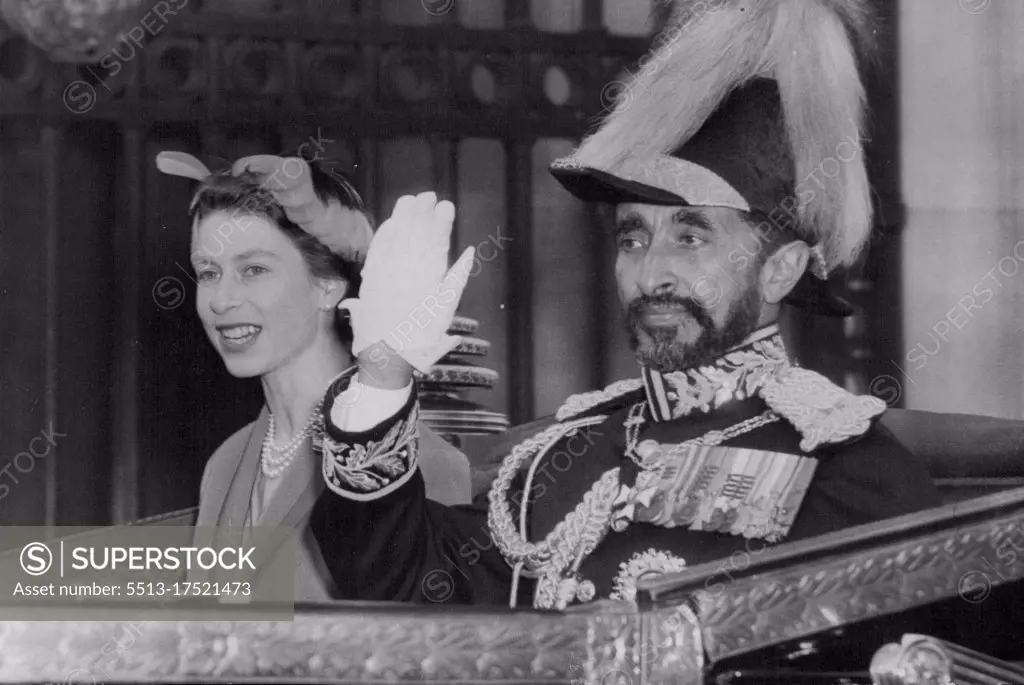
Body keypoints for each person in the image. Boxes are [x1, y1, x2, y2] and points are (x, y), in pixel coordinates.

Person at [307, 0, 944, 610]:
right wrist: (383, 380)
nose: (652, 270)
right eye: (634, 236)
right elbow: (406, 584)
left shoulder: (846, 468)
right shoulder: (558, 458)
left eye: (692, 236)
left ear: (781, 269)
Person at [154, 150, 473, 601]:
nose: (221, 299)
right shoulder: (226, 463)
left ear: (327, 286)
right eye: (208, 272)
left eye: (254, 270)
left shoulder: (421, 464)